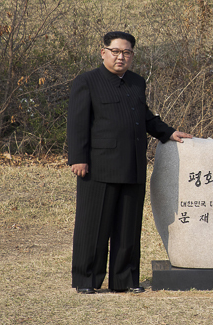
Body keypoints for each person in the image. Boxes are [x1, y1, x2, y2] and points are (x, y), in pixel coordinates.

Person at [67, 31, 192, 294]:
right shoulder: (87, 81)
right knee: (94, 225)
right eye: (115, 51)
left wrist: (167, 132)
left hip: (133, 164)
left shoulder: (137, 82)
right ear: (103, 52)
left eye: (126, 53)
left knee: (128, 226)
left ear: (132, 55)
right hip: (98, 166)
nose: (120, 57)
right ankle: (87, 280)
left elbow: (144, 116)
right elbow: (77, 123)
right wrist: (78, 158)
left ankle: (125, 280)